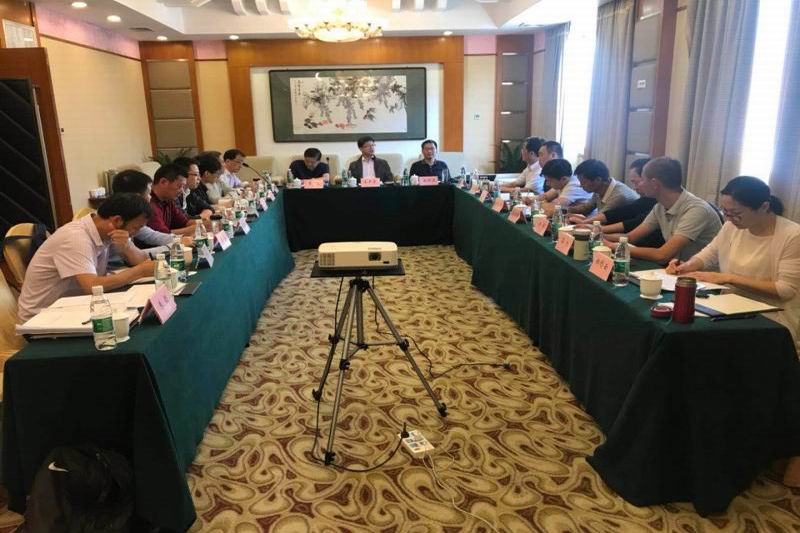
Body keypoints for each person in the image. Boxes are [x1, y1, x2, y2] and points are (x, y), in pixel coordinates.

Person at [665, 176, 800, 487]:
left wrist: (727, 278)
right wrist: (685, 266)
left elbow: (786, 290)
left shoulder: (791, 235)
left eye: (736, 213)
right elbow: (707, 255)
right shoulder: (731, 227)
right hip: (729, 308)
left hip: (774, 321)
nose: (729, 218)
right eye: (725, 211)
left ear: (764, 207)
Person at [17, 193, 155, 323]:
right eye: (136, 227)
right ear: (117, 220)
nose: (136, 233)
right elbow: (92, 286)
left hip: (73, 306)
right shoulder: (76, 238)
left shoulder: (108, 230)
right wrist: (139, 272)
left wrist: (127, 246)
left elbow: (142, 260)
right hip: (42, 317)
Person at [604, 157, 721, 263]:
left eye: (642, 180)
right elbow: (631, 237)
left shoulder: (696, 210)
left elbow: (662, 255)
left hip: (703, 277)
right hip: (676, 270)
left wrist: (612, 246)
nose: (639, 185)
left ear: (654, 184)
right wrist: (599, 235)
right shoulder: (660, 207)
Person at [568, 158, 664, 248]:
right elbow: (624, 222)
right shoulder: (655, 205)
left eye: (636, 182)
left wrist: (594, 230)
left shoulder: (621, 196)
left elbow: (661, 254)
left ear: (654, 182)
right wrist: (588, 226)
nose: (634, 188)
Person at [111, 169, 193, 254]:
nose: (150, 197)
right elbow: (134, 255)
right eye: (148, 193)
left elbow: (152, 235)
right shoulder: (115, 222)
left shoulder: (130, 215)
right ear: (136, 197)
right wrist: (174, 246)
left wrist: (179, 240)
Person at [568, 159, 639, 215]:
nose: (580, 185)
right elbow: (586, 208)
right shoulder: (600, 189)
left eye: (583, 182)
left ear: (598, 180)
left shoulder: (618, 196)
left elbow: (598, 220)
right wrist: (566, 210)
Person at [147, 163, 197, 237]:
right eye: (179, 186)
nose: (182, 191)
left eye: (183, 187)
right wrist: (195, 228)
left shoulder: (168, 200)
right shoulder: (149, 203)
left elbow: (185, 222)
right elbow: (162, 235)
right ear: (163, 182)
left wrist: (201, 224)